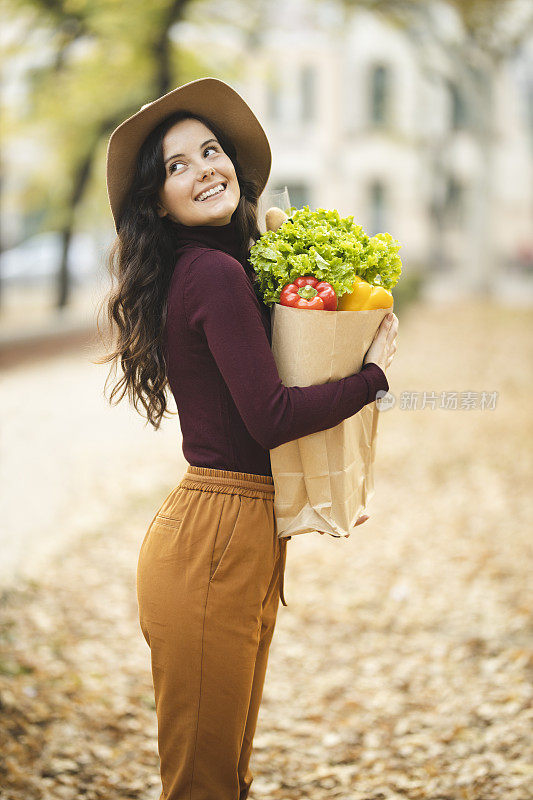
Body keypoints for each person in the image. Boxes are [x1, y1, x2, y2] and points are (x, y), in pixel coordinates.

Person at [100, 77, 398, 800]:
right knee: (203, 785)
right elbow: (269, 416)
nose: (204, 168)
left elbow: (252, 423)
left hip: (232, 537)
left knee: (226, 779)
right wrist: (372, 377)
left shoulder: (216, 269)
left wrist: (320, 485)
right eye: (177, 165)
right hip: (213, 544)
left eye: (210, 151)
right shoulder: (211, 275)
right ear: (157, 200)